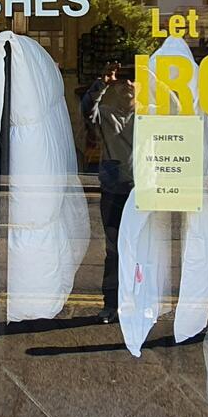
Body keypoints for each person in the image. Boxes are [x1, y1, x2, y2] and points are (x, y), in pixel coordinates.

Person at [88, 60, 135, 323]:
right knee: (114, 250)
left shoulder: (151, 115)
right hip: (115, 191)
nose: (128, 83)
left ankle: (138, 302)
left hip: (144, 192)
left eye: (133, 78)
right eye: (123, 78)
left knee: (142, 249)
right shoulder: (106, 113)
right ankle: (111, 304)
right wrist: (101, 84)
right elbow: (88, 111)